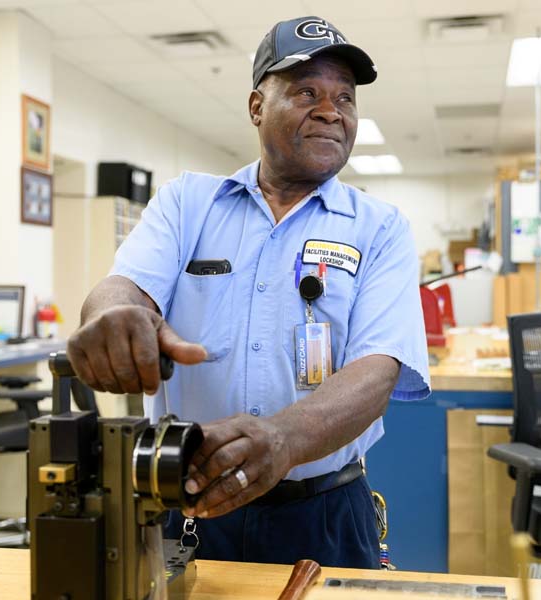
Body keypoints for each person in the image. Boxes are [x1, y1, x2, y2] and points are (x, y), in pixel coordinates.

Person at [67, 16, 430, 568]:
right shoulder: (187, 203)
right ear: (257, 106)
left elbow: (378, 370)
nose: (331, 110)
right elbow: (124, 290)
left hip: (325, 512)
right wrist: (115, 316)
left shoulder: (379, 227)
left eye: (345, 98)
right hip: (189, 504)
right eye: (307, 91)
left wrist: (281, 439)